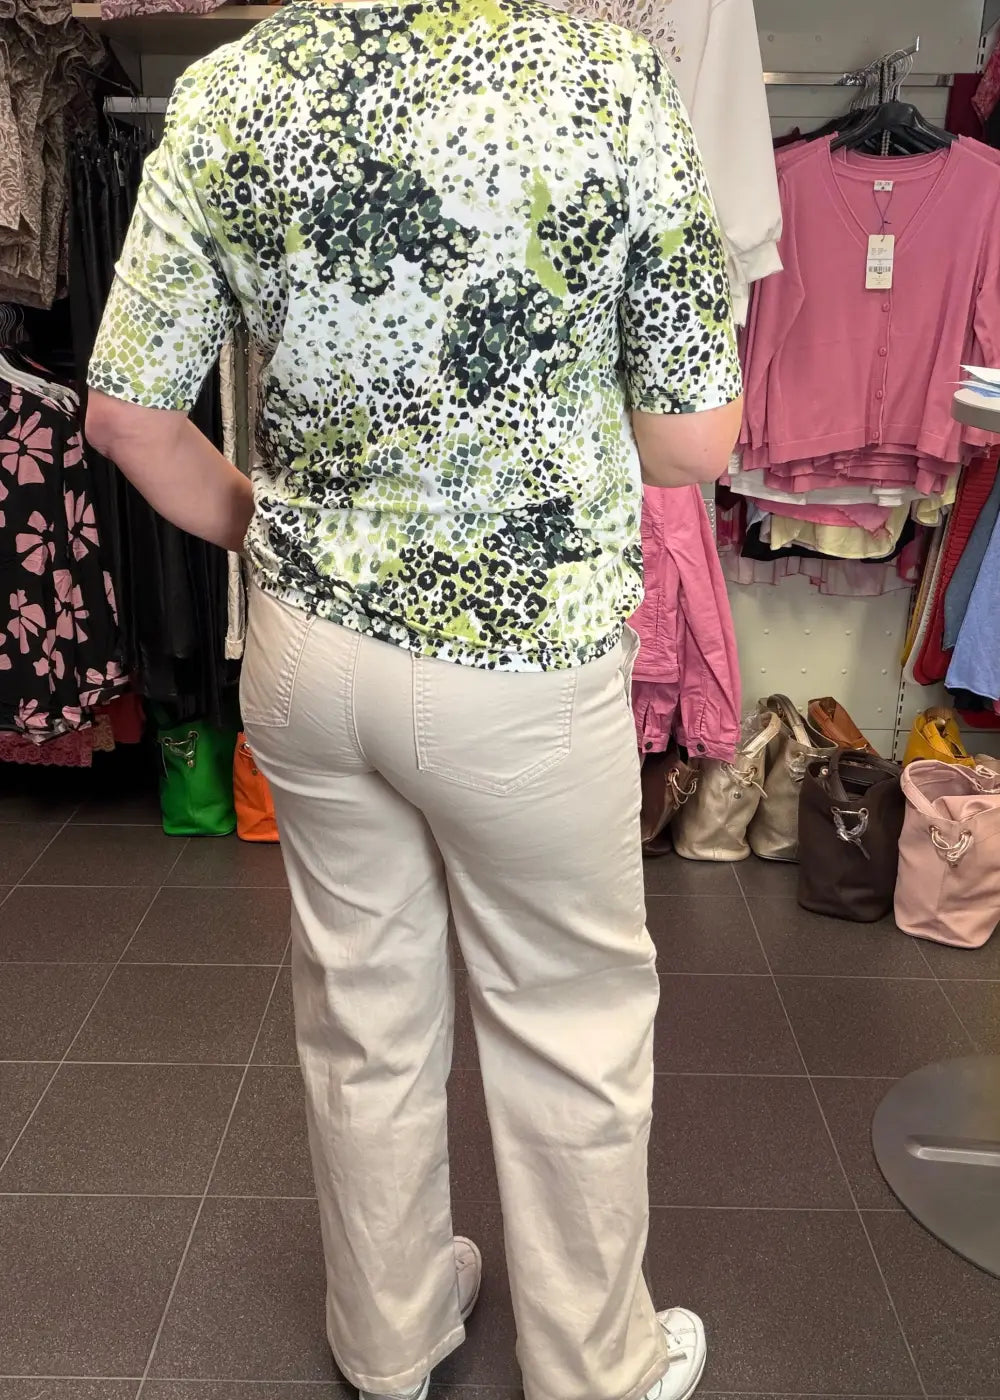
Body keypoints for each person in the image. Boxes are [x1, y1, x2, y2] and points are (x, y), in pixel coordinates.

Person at [85, 2, 743, 1398]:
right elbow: (692, 444)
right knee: (569, 1022)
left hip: (309, 650)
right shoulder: (608, 79)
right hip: (522, 655)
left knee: (363, 1010)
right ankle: (597, 1369)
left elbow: (128, 416)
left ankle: (389, 1341)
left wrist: (276, 529)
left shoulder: (231, 91)